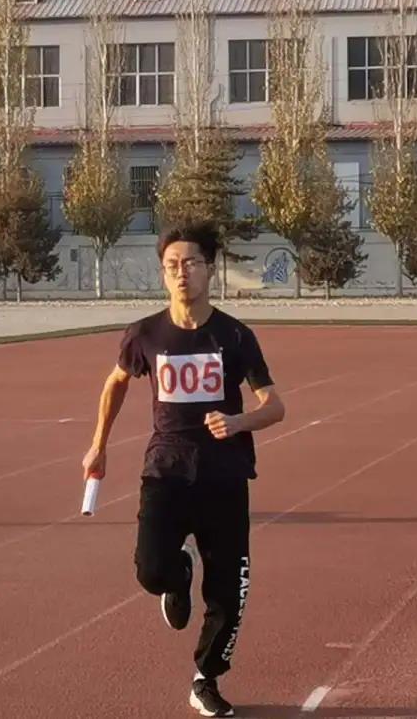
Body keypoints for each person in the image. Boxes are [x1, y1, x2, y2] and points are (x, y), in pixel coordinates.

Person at [81, 223, 286, 717]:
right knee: (151, 571)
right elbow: (115, 383)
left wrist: (238, 421)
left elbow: (275, 406)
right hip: (166, 471)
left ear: (209, 270)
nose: (181, 273)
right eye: (171, 265)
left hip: (225, 476)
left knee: (229, 591)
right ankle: (178, 575)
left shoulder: (235, 336)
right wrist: (98, 446)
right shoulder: (145, 334)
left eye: (190, 263)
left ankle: (206, 677)